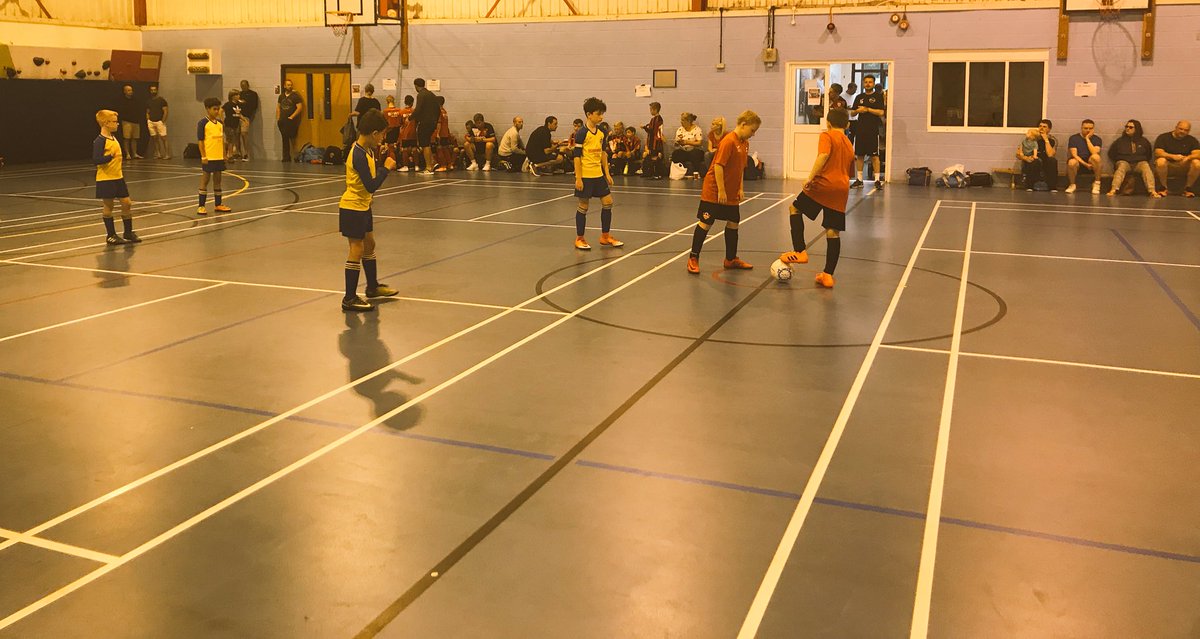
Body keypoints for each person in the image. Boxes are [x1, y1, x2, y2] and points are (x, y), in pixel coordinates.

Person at [779, 106, 854, 289]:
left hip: (823, 185)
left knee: (794, 209)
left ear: (828, 123)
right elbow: (850, 171)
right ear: (847, 124)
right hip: (841, 189)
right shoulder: (849, 142)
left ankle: (800, 251)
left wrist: (810, 177)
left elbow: (823, 155)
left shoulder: (827, 135)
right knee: (832, 230)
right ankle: (827, 275)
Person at [686, 110, 761, 274]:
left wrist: (740, 188)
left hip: (731, 192)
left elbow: (740, 168)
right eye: (752, 130)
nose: (753, 134)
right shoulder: (728, 141)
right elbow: (718, 166)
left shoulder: (745, 143)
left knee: (733, 223)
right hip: (714, 190)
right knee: (706, 223)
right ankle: (693, 258)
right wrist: (721, 190)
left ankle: (730, 259)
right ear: (743, 125)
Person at [340, 109, 399, 312]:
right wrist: (386, 168)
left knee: (369, 244)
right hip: (352, 207)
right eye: (382, 134)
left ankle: (372, 287)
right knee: (356, 249)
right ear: (374, 133)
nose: (383, 138)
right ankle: (349, 298)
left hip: (364, 206)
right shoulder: (358, 154)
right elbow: (370, 185)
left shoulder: (368, 151)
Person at [572, 97, 622, 251]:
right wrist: (578, 178)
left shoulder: (602, 132)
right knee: (583, 206)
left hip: (598, 175)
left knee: (608, 202)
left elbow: (603, 153)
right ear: (589, 114)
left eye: (602, 114)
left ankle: (605, 236)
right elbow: (576, 157)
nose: (601, 117)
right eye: (598, 114)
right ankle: (580, 238)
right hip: (586, 175)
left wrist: (607, 173)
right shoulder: (581, 133)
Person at [92, 110, 141, 245]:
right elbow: (96, 159)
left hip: (118, 177)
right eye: (114, 122)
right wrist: (109, 157)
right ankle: (111, 235)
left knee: (127, 203)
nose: (117, 124)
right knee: (109, 206)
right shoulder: (99, 141)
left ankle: (128, 232)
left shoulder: (113, 138)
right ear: (106, 123)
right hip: (106, 179)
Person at [197, 97, 232, 215]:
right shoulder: (203, 123)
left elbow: (222, 140)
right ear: (207, 109)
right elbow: (200, 141)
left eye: (218, 109)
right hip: (209, 157)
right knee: (205, 180)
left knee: (218, 181)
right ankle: (201, 206)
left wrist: (224, 154)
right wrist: (203, 156)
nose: (217, 111)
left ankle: (218, 204)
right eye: (214, 109)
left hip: (219, 157)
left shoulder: (220, 124)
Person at [1106, 119, 1158, 198]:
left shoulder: (1144, 141)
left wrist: (1142, 160)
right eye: (1126, 127)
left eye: (1131, 127)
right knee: (1121, 167)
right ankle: (1113, 190)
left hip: (1139, 163)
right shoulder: (1120, 141)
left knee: (1146, 166)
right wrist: (1118, 161)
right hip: (1124, 162)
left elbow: (1148, 154)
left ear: (1136, 129)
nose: (1127, 129)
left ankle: (1152, 191)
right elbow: (1111, 153)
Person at [850, 74, 885, 189]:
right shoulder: (859, 97)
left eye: (870, 82)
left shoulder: (878, 96)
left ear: (874, 84)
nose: (868, 84)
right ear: (863, 83)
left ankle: (877, 180)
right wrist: (858, 111)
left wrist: (868, 109)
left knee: (874, 156)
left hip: (872, 130)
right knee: (859, 155)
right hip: (860, 130)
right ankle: (859, 179)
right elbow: (852, 113)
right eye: (866, 82)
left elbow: (881, 113)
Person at [1152, 120, 1200, 197]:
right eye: (1181, 129)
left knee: (1197, 163)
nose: (1183, 131)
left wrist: (1188, 158)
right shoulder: (1163, 137)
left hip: (1184, 165)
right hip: (1169, 164)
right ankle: (1163, 188)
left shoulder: (1192, 140)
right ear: (1176, 128)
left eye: (1186, 130)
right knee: (1160, 161)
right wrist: (1173, 156)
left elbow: (1198, 154)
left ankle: (1188, 188)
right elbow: (1158, 152)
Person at [1065, 119, 1103, 194]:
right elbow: (1074, 155)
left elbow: (1094, 152)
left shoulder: (1097, 139)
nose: (1088, 130)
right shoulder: (1074, 138)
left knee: (1096, 157)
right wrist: (1085, 164)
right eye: (1085, 128)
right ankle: (1072, 185)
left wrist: (1087, 139)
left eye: (1090, 128)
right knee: (1071, 162)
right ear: (1081, 128)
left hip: (1092, 163)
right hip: (1079, 162)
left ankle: (1097, 183)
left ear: (1093, 129)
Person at [411, 78, 439, 175]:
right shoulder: (432, 94)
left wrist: (410, 118)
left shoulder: (421, 95)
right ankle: (433, 162)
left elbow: (418, 109)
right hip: (432, 122)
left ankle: (428, 167)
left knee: (425, 144)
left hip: (425, 122)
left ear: (416, 86)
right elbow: (438, 109)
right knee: (427, 143)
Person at [277, 79, 304, 161]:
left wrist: (292, 116)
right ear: (284, 86)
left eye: (291, 85)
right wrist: (278, 118)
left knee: (293, 139)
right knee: (284, 139)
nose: (290, 86)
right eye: (288, 85)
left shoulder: (295, 96)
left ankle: (296, 156)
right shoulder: (281, 96)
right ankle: (286, 157)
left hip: (291, 121)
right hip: (283, 120)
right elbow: (278, 107)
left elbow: (299, 107)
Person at [671, 112, 705, 177]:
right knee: (676, 154)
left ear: (688, 121)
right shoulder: (680, 130)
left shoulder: (697, 129)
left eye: (683, 120)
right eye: (681, 120)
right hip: (684, 150)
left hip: (694, 149)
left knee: (695, 154)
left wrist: (687, 142)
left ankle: (696, 173)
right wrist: (677, 143)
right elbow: (677, 142)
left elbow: (699, 143)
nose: (681, 122)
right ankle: (679, 172)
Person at [118, 84, 143, 160]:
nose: (130, 92)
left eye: (131, 90)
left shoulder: (136, 100)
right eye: (128, 90)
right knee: (127, 138)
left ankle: (134, 153)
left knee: (135, 138)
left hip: (135, 121)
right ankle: (127, 154)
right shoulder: (122, 101)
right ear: (124, 91)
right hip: (126, 121)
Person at [145, 84, 169, 160]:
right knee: (155, 138)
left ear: (157, 90)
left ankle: (167, 154)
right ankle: (158, 153)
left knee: (164, 138)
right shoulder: (149, 101)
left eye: (154, 90)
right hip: (151, 122)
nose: (153, 91)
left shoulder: (162, 100)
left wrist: (163, 121)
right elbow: (147, 111)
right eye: (151, 90)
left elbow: (165, 111)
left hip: (159, 122)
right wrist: (148, 119)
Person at [641, 101, 665, 178]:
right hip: (653, 141)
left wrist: (644, 127)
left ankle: (657, 174)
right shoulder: (656, 119)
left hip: (655, 142)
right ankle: (649, 173)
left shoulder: (657, 119)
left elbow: (652, 131)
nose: (650, 111)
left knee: (655, 158)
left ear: (655, 110)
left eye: (651, 109)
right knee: (650, 157)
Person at [238, 80, 258, 161]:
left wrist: (245, 103)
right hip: (237, 116)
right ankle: (238, 153)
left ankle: (247, 153)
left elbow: (254, 106)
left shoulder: (253, 94)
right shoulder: (239, 94)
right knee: (236, 135)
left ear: (248, 85)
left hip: (246, 116)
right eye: (241, 86)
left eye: (244, 85)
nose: (243, 87)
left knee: (244, 133)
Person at [222, 89, 243, 161]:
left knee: (233, 140)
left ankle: (230, 153)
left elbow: (238, 114)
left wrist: (244, 119)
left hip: (235, 124)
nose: (238, 96)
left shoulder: (237, 105)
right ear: (232, 96)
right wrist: (221, 120)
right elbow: (221, 110)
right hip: (229, 124)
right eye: (237, 95)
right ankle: (229, 154)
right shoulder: (228, 104)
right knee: (230, 140)